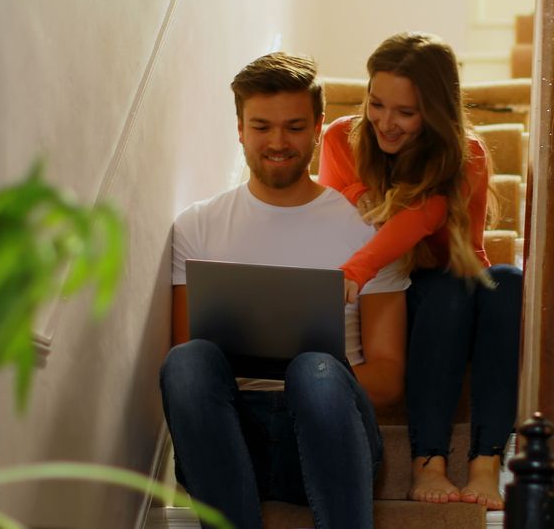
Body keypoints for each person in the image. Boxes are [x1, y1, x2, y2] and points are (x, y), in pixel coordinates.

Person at [160, 52, 409, 529]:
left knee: (313, 368)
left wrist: (315, 374)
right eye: (261, 127)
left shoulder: (369, 230)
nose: (278, 142)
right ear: (239, 129)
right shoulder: (197, 226)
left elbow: (389, 378)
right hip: (231, 439)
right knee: (186, 361)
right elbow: (188, 366)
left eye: (295, 127)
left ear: (318, 128)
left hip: (329, 430)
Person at [316, 31, 523, 510]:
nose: (386, 123)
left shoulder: (463, 153)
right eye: (376, 104)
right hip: (386, 294)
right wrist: (358, 211)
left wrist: (368, 233)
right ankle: (427, 461)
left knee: (508, 283)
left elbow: (433, 227)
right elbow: (331, 222)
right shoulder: (341, 139)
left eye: (405, 113)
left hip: (444, 276)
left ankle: (485, 463)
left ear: (435, 111)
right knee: (449, 294)